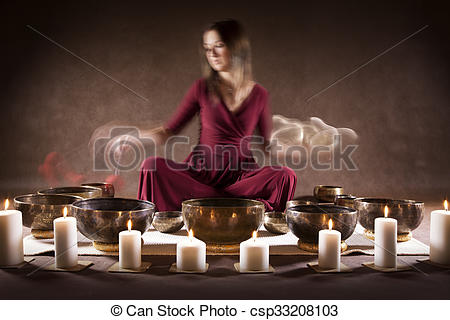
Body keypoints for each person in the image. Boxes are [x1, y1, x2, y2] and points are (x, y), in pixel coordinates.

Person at [138, 19, 297, 212]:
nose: (211, 54)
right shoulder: (201, 88)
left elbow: (267, 145)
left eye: (219, 45)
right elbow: (168, 131)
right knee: (151, 166)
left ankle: (216, 203)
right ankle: (228, 205)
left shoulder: (259, 94)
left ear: (236, 47)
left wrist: (296, 149)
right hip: (200, 177)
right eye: (207, 48)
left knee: (286, 175)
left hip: (240, 180)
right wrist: (131, 135)